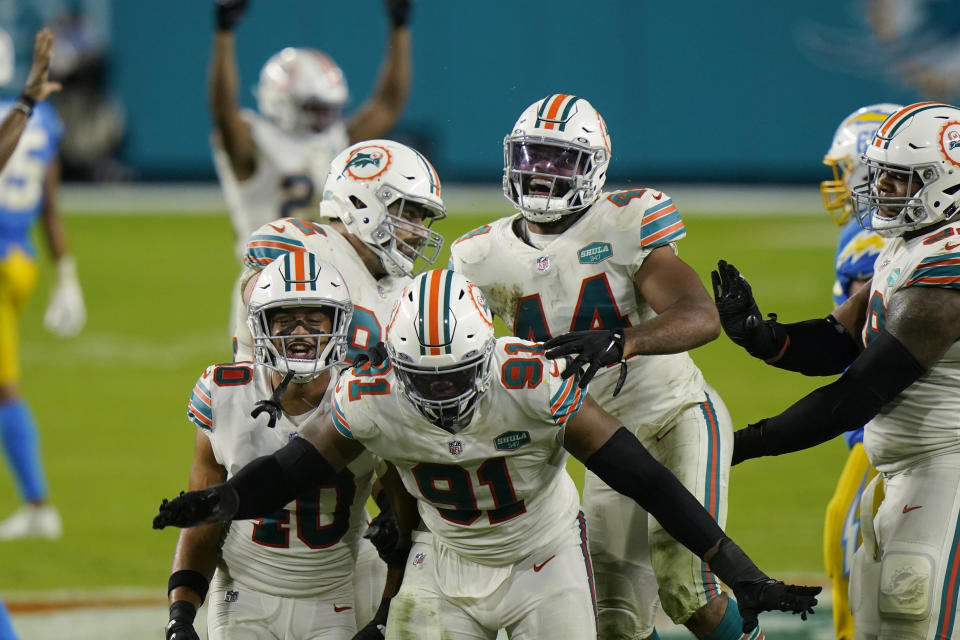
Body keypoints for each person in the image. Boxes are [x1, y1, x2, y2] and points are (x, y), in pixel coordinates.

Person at [154, 269, 821, 640]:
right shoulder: (371, 394)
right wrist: (222, 500)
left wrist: (736, 566)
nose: (440, 392)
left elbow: (646, 480)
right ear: (395, 363)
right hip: (443, 564)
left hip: (542, 556)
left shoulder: (531, 381)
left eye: (455, 375)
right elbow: (290, 470)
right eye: (425, 378)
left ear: (487, 354)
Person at [449, 94, 744, 639]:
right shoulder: (478, 255)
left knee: (687, 586)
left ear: (594, 167)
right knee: (614, 617)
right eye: (532, 155)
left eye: (559, 159)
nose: (540, 172)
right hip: (602, 438)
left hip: (673, 415)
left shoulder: (627, 220)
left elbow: (699, 317)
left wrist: (622, 340)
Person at [712, 101, 960, 639]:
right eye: (882, 176)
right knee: (873, 623)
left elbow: (856, 394)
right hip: (901, 466)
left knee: (912, 619)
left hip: (947, 469)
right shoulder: (915, 243)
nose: (884, 190)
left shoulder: (950, 268)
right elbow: (838, 338)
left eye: (901, 179)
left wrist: (741, 444)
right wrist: (761, 335)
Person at [165, 253, 404, 640]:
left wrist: (383, 615)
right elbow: (203, 519)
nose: (300, 333)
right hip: (244, 594)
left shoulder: (364, 396)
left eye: (314, 319)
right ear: (258, 326)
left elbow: (401, 511)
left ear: (339, 323)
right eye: (284, 320)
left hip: (332, 597)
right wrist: (181, 614)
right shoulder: (225, 393)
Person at [209, 0, 414, 257]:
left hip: (324, 276)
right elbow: (223, 107)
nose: (326, 117)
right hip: (265, 274)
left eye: (330, 108)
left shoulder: (336, 139)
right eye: (316, 108)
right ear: (282, 101)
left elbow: (388, 103)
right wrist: (224, 33)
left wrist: (400, 25)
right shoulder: (254, 141)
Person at [231, 138, 445, 364]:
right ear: (361, 204)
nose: (419, 232)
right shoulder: (305, 250)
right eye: (409, 215)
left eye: (422, 220)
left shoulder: (406, 290)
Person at [819, 102, 901, 640]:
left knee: (849, 538)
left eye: (848, 170)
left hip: (892, 418)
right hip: (879, 415)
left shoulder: (879, 242)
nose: (838, 184)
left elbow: (855, 338)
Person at [0, 26, 84, 543]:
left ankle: (37, 503)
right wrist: (66, 275)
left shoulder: (28, 113)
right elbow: (50, 205)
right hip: (21, 259)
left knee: (5, 390)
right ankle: (36, 503)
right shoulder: (42, 120)